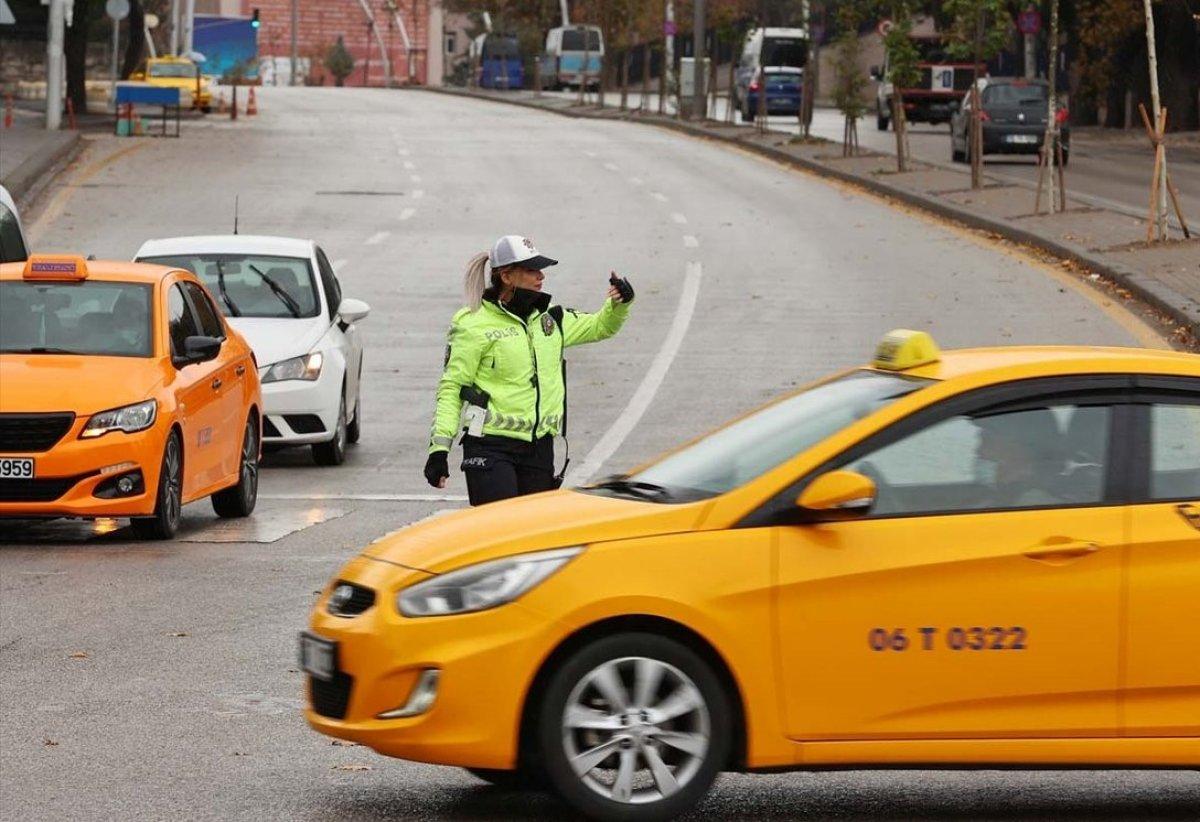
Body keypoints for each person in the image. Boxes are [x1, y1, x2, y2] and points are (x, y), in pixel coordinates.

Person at [423, 235, 635, 506]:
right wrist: (439, 450)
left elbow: (600, 327)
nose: (541, 276)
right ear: (507, 276)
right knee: (500, 531)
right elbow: (452, 387)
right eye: (531, 269)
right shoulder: (473, 323)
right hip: (491, 447)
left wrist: (618, 304)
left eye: (540, 269)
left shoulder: (550, 320)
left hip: (539, 450)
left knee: (532, 540)